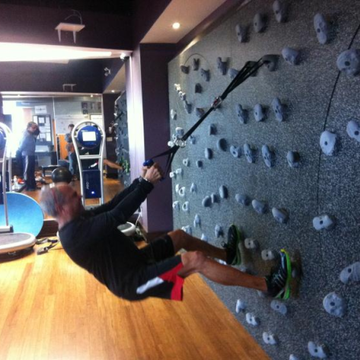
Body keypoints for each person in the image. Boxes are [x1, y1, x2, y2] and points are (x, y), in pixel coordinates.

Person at [39, 163, 291, 302]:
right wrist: (147, 185)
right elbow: (116, 216)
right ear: (61, 208)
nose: (80, 195)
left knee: (179, 236)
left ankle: (228, 254)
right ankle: (268, 286)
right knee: (195, 261)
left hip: (137, 260)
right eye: (74, 196)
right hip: (134, 282)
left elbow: (111, 206)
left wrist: (140, 182)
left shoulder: (79, 216)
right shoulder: (73, 235)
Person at [17, 121, 40, 191]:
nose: (35, 129)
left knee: (32, 171)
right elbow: (22, 145)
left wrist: (36, 128)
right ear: (28, 127)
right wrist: (19, 151)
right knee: (27, 171)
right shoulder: (26, 135)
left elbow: (38, 132)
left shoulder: (31, 134)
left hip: (31, 154)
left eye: (35, 127)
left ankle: (33, 185)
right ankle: (28, 186)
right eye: (33, 127)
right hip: (26, 155)